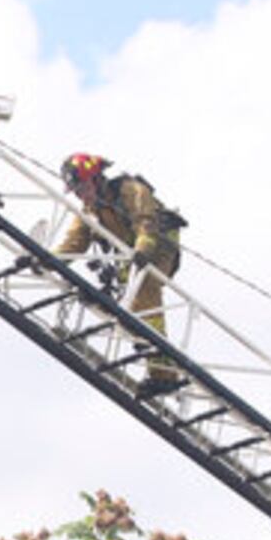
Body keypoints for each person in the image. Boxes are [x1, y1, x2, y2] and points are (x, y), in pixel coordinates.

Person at [53, 153, 187, 398]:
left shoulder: (130, 190)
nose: (80, 195)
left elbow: (146, 222)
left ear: (96, 179)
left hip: (159, 245)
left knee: (144, 290)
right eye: (76, 191)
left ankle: (164, 373)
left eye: (82, 187)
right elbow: (74, 243)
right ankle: (149, 348)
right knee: (126, 300)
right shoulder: (91, 211)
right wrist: (44, 260)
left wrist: (143, 248)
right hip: (133, 254)